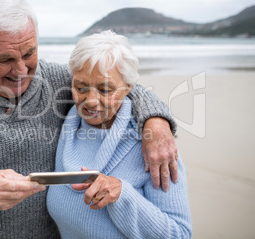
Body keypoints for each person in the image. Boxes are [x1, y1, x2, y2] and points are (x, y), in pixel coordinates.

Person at [0, 0, 179, 238]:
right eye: (4, 60)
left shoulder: (57, 79)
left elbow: (119, 86)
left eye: (29, 53)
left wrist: (157, 122)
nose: (22, 70)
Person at [47, 30, 192, 238]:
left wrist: (122, 195)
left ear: (128, 89)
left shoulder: (154, 146)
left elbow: (180, 234)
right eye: (81, 87)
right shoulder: (66, 121)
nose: (90, 101)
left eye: (105, 90)